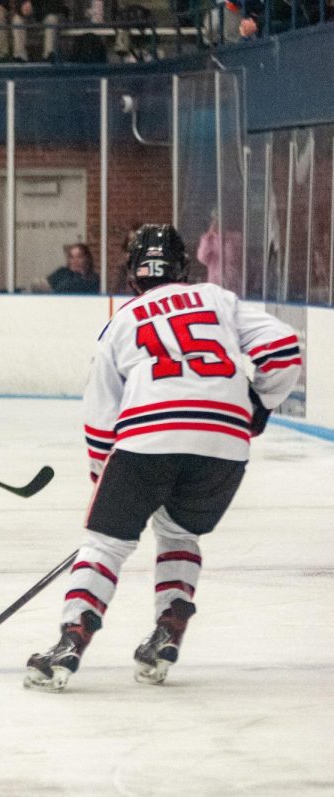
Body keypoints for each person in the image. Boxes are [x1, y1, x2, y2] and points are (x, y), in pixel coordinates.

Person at [24, 224, 303, 693]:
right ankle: (168, 629)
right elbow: (283, 349)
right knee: (179, 531)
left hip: (147, 438)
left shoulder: (122, 321)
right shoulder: (217, 299)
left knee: (106, 544)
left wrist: (104, 486)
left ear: (133, 274)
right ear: (184, 268)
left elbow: (99, 420)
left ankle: (71, 639)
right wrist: (256, 407)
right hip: (224, 444)